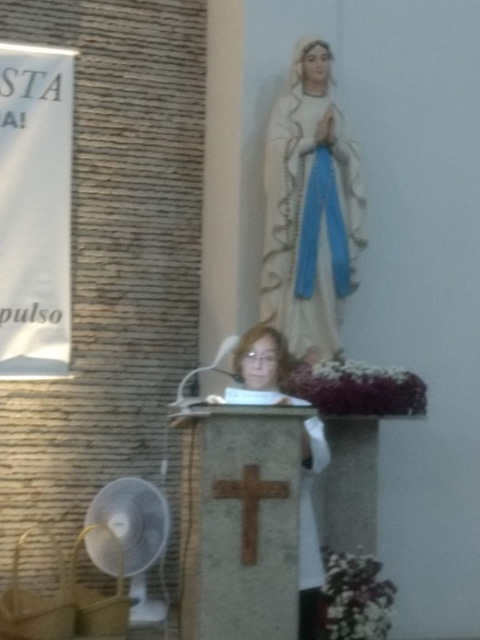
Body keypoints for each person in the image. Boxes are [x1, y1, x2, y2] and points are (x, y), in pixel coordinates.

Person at [260, 36, 367, 364]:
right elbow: (276, 149)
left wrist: (333, 143)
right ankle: (297, 345)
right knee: (299, 267)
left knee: (330, 265)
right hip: (299, 206)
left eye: (324, 57)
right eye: (312, 58)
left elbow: (352, 156)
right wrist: (311, 140)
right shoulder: (288, 106)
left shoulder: (337, 109)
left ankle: (328, 344)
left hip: (331, 205)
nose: (319, 64)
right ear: (300, 65)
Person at [230, 324, 331, 640]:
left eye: (268, 357)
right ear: (239, 363)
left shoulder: (300, 411)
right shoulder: (218, 410)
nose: (258, 364)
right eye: (251, 355)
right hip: (233, 534)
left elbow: (318, 461)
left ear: (280, 365)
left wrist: (293, 424)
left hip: (291, 530)